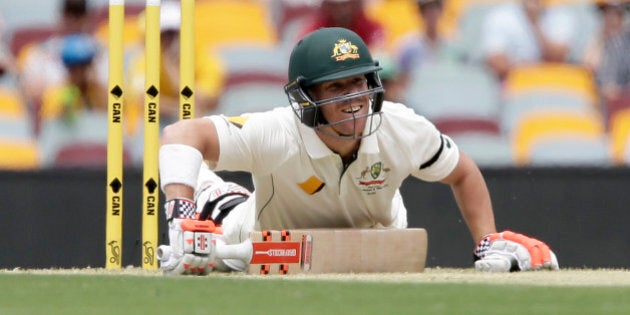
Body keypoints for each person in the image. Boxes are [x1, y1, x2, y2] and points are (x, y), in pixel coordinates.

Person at [156, 27, 559, 275]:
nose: (355, 99)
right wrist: (181, 213)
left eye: (360, 83)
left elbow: (463, 172)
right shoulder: (279, 130)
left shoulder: (403, 126)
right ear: (307, 98)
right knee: (216, 201)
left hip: (375, 245)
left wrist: (485, 240)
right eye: (336, 87)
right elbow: (180, 135)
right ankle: (210, 196)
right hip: (253, 233)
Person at [126, 0, 224, 130]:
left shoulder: (206, 59)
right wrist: (182, 109)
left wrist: (174, 72)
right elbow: (146, 102)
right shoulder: (146, 59)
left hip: (192, 122)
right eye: (164, 34)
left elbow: (206, 101)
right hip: (156, 123)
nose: (169, 40)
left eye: (174, 33)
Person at [479, 0, 577, 82]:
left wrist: (535, 23)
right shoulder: (500, 15)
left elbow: (556, 58)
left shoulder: (561, 14)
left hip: (553, 81)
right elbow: (498, 63)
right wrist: (531, 70)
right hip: (514, 83)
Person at [39, 33, 107, 123]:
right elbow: (49, 124)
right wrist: (64, 107)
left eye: (84, 66)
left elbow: (115, 117)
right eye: (75, 68)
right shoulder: (56, 94)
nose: (80, 72)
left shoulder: (99, 91)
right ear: (68, 69)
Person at [582, 0, 630, 106]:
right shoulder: (597, 40)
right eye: (606, 13)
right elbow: (588, 66)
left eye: (616, 14)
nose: (610, 19)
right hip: (602, 103)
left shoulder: (626, 41)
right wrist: (600, 39)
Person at [297, 0, 386, 50]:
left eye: (347, 4)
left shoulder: (371, 27)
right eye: (335, 6)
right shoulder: (314, 30)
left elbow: (379, 52)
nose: (343, 11)